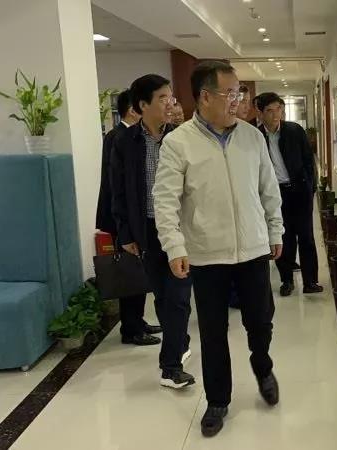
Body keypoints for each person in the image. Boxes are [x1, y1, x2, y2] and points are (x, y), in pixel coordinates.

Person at [152, 60, 284, 437]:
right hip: (207, 254)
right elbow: (165, 200)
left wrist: (275, 230)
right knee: (213, 332)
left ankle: (263, 366)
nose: (237, 100)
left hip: (253, 249)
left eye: (239, 92)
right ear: (205, 97)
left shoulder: (252, 137)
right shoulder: (178, 142)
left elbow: (268, 188)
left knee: (260, 321)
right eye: (230, 93)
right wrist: (174, 246)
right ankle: (217, 400)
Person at [110, 75, 195, 389]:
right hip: (146, 229)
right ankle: (179, 340)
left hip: (180, 231)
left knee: (178, 297)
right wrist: (125, 234)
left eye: (170, 97)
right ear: (142, 106)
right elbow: (117, 191)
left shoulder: (183, 137)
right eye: (162, 98)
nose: (170, 103)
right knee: (162, 296)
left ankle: (170, 366)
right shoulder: (124, 142)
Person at [96, 89, 161, 346]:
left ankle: (137, 321)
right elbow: (117, 185)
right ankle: (131, 328)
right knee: (130, 272)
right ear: (134, 110)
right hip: (121, 218)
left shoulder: (129, 135)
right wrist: (123, 224)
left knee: (138, 271)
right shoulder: (119, 136)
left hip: (127, 216)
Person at [256, 92, 323, 297]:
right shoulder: (255, 136)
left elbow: (308, 160)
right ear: (260, 113)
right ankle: (286, 281)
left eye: (279, 109)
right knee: (283, 237)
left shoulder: (294, 130)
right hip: (275, 194)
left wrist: (310, 186)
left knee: (306, 236)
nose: (276, 114)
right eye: (270, 110)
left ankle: (310, 281)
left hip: (299, 191)